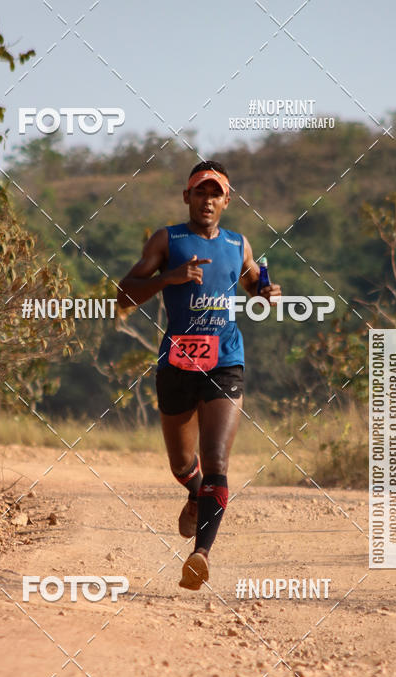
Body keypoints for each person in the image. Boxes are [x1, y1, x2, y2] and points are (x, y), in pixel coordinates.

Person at [117, 161, 280, 590]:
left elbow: (249, 281)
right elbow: (123, 294)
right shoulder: (167, 239)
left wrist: (264, 290)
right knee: (182, 464)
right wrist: (169, 277)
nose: (207, 200)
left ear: (227, 200)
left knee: (218, 461)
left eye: (216, 193)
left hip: (225, 359)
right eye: (200, 192)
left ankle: (200, 556)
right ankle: (194, 492)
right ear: (186, 197)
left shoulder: (238, 242)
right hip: (178, 362)